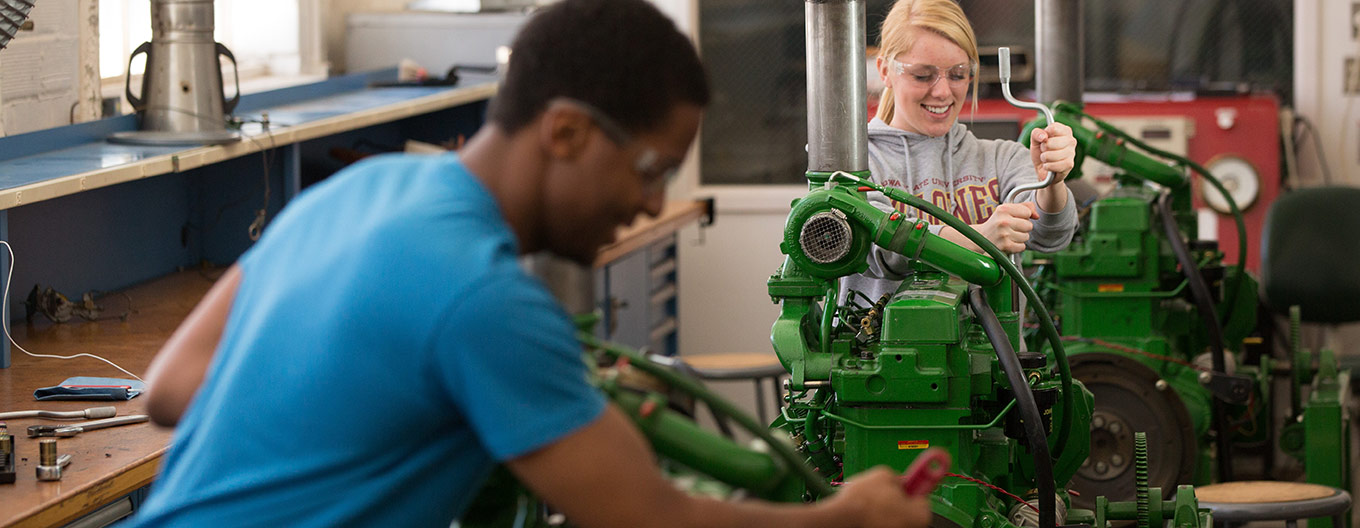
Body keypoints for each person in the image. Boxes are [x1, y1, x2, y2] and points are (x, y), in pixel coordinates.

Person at [127, 0, 932, 527]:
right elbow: (645, 517)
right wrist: (848, 516)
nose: (654, 207)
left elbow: (169, 391)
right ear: (568, 134)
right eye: (652, 170)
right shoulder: (488, 301)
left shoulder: (364, 187)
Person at [840, 0, 1078, 303]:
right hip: (878, 349)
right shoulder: (856, 164)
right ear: (885, 71)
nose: (942, 92)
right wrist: (979, 239)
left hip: (996, 351)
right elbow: (875, 251)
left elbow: (1051, 235)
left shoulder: (1001, 159)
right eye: (923, 75)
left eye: (957, 74)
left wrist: (1052, 183)